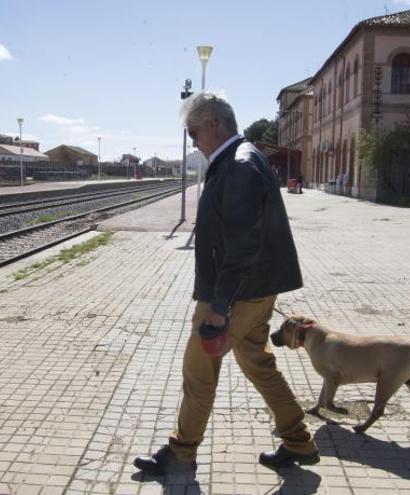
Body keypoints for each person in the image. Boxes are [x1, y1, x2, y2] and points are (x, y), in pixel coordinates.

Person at [133, 92, 318, 476]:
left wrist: (218, 307)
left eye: (193, 132)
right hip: (253, 288)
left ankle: (182, 450)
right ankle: (298, 440)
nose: (193, 142)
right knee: (257, 363)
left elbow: (243, 242)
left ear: (214, 124)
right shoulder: (241, 159)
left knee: (198, 370)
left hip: (234, 294)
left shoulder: (239, 164)